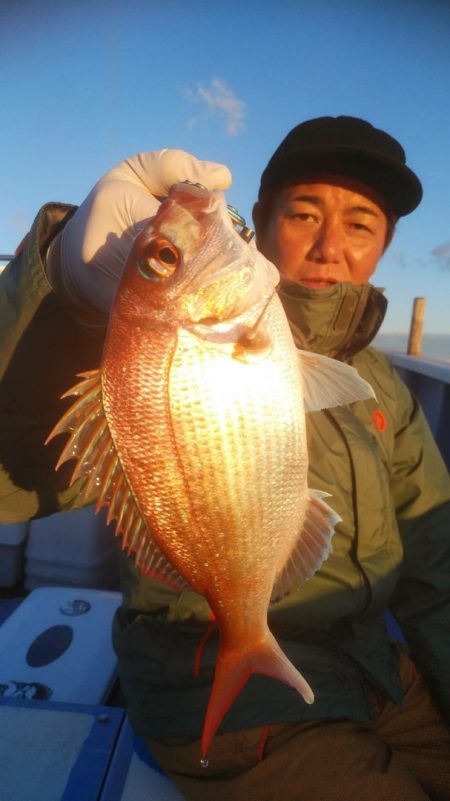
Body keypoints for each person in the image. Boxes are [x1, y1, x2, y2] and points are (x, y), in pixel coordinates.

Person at [1, 117, 449, 801]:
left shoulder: (383, 384)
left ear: (384, 246)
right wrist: (63, 293)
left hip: (378, 668)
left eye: (361, 224)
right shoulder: (128, 348)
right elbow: (9, 488)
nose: (331, 246)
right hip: (202, 675)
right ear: (260, 224)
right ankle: (248, 640)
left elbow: (434, 556)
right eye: (305, 213)